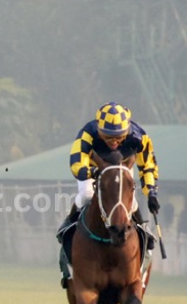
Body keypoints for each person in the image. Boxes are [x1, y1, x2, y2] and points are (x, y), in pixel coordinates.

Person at [55, 102, 160, 288]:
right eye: (107, 136)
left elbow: (147, 166)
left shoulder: (139, 137)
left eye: (118, 137)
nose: (113, 141)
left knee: (130, 201)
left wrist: (151, 192)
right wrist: (89, 173)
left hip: (122, 169)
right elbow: (77, 161)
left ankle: (143, 229)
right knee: (86, 193)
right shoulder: (88, 132)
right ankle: (69, 224)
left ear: (127, 131)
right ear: (99, 128)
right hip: (94, 169)